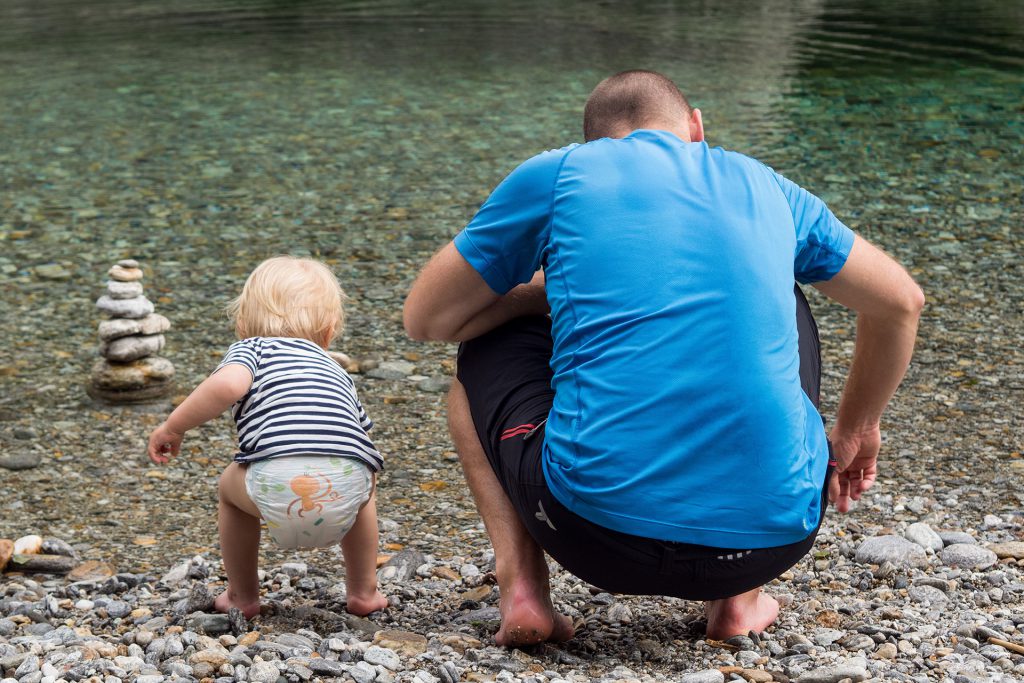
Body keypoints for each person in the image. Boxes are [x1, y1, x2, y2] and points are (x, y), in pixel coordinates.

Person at [403, 70, 923, 646]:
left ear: (594, 142)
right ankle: (736, 603)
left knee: (486, 336)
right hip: (770, 543)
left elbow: (427, 320)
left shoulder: (561, 172)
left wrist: (548, 291)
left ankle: (523, 590)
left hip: (591, 536)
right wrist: (857, 429)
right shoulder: (768, 185)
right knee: (780, 295)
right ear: (696, 127)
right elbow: (900, 303)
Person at [147, 256, 388, 618]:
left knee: (230, 489)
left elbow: (228, 384)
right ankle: (364, 592)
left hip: (274, 486)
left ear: (243, 325)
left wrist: (173, 427)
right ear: (328, 332)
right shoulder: (335, 369)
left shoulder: (253, 349)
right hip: (345, 491)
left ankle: (242, 597)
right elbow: (356, 436)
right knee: (365, 483)